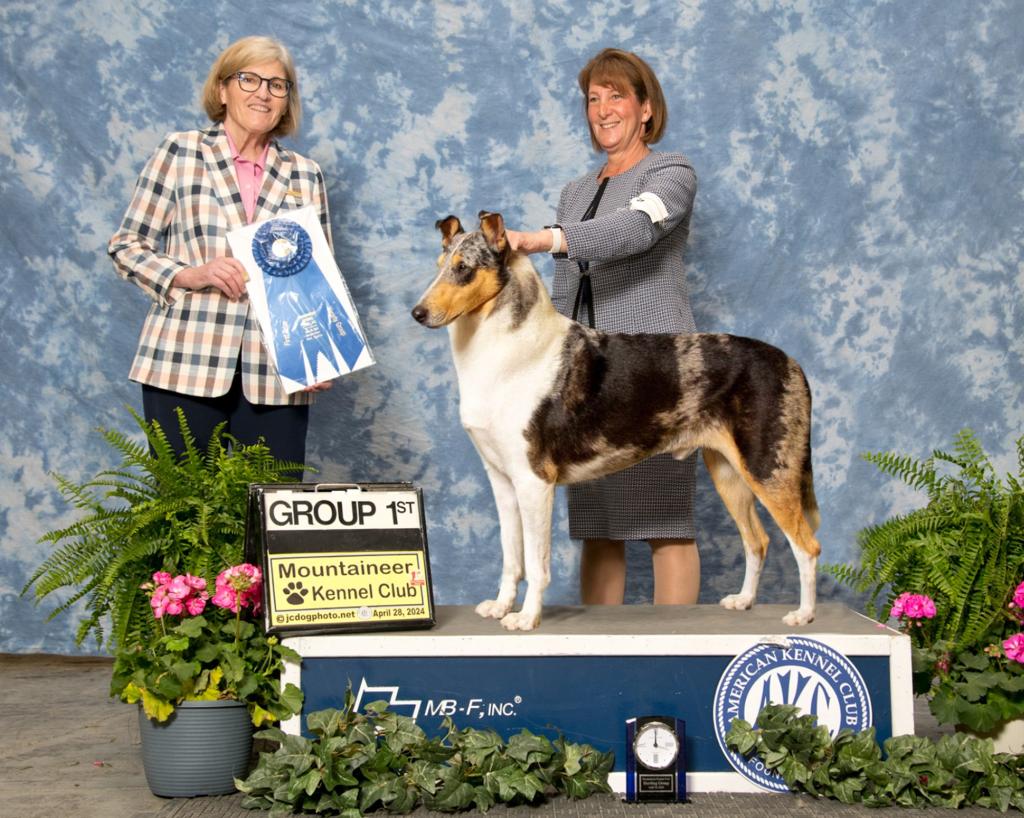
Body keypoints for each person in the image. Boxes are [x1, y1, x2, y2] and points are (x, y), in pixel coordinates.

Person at [507, 47, 700, 606]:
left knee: (666, 522)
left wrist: (548, 238)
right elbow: (566, 289)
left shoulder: (671, 172)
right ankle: (601, 664)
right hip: (583, 378)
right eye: (594, 99)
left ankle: (679, 656)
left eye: (617, 95)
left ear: (645, 108)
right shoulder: (575, 191)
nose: (604, 108)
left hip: (654, 368)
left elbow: (634, 230)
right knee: (599, 524)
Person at [109, 36, 331, 465]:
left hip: (277, 373)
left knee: (272, 522)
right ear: (223, 89)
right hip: (183, 362)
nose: (262, 93)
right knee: (186, 521)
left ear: (287, 101)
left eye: (277, 85)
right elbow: (126, 245)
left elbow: (316, 279)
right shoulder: (181, 152)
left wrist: (319, 357)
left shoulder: (306, 174)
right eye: (248, 79)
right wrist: (188, 274)